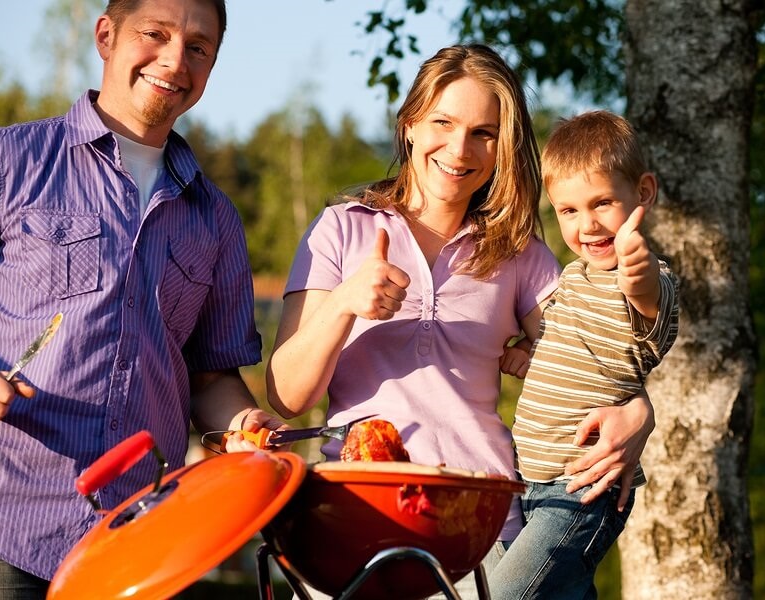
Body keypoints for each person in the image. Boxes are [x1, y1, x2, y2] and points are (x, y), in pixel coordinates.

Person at [266, 45, 657, 597]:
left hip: (482, 532)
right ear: (409, 127)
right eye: (442, 123)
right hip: (358, 521)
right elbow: (287, 395)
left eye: (484, 133)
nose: (459, 148)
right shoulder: (340, 229)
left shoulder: (519, 253)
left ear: (503, 148)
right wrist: (343, 302)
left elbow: (595, 357)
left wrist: (640, 408)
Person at [0, 1, 283, 596]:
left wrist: (243, 421)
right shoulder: (12, 161)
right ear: (106, 35)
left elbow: (211, 379)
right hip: (9, 527)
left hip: (141, 544)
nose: (176, 60)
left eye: (199, 48)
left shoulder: (216, 219)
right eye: (155, 34)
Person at [488, 110, 680, 599]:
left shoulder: (646, 278)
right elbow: (573, 351)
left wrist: (637, 273)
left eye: (602, 203)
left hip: (580, 492)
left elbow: (644, 303)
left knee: (502, 594)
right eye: (568, 210)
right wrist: (529, 356)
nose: (587, 225)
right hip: (528, 482)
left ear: (643, 193)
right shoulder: (572, 278)